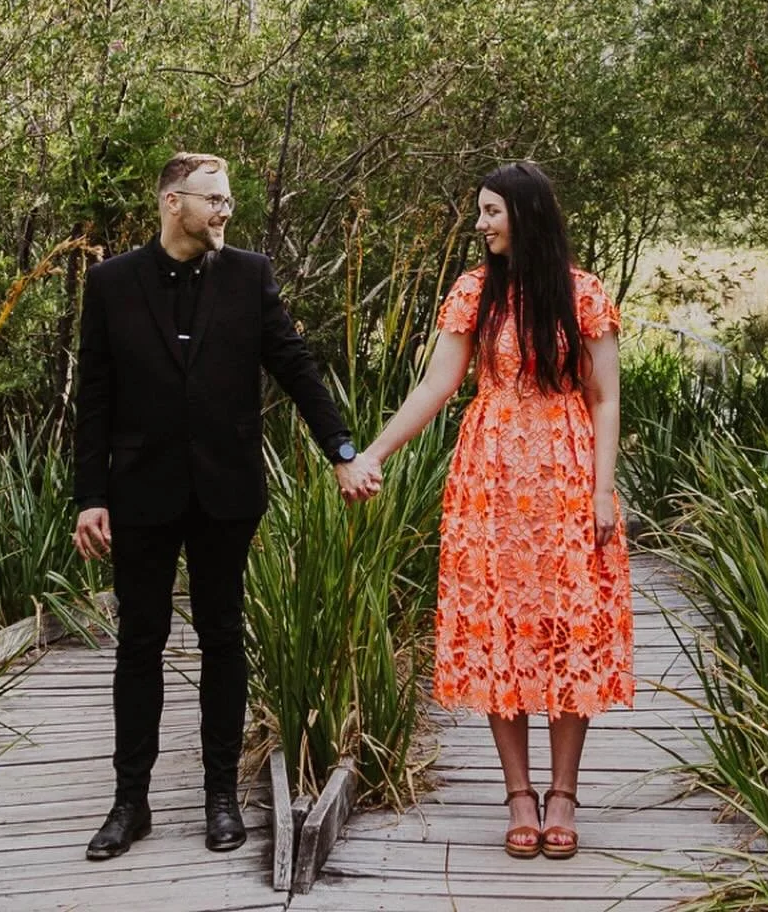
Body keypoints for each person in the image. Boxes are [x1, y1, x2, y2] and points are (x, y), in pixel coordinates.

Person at [72, 152, 369, 861]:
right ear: (173, 202)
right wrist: (90, 496)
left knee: (222, 639)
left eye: (229, 198)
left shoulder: (249, 274)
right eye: (213, 199)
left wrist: (341, 448)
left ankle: (220, 798)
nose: (225, 210)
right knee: (139, 644)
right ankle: (129, 802)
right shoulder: (111, 284)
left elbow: (293, 363)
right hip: (140, 491)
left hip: (225, 491)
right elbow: (96, 399)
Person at [345, 161, 633, 861]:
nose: (480, 225)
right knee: (501, 626)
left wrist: (602, 488)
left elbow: (606, 399)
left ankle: (563, 793)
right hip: (492, 477)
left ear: (526, 215)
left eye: (491, 212)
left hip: (566, 472)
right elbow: (438, 385)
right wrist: (374, 452)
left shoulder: (583, 294)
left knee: (570, 626)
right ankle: (519, 796)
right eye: (481, 212)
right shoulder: (475, 293)